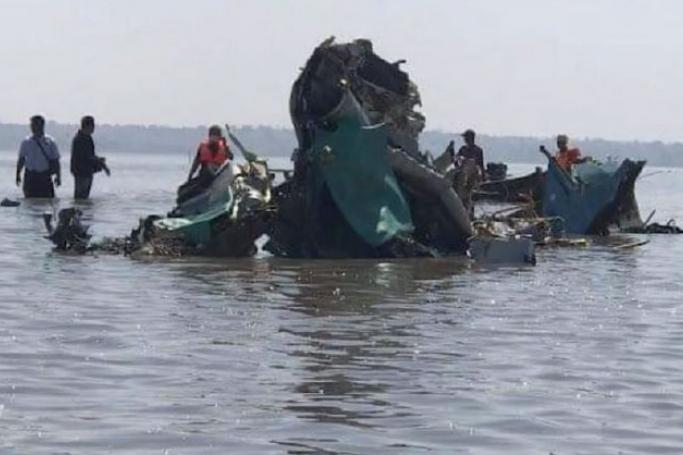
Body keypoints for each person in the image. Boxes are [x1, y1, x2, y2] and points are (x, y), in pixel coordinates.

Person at [16, 115, 61, 198]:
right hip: (30, 176)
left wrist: (58, 177)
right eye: (31, 125)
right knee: (29, 200)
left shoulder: (50, 141)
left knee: (47, 199)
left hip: (44, 176)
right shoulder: (26, 142)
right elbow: (21, 159)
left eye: (34, 125)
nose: (32, 127)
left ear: (41, 126)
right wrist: (18, 174)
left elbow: (55, 160)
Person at [70, 115, 110, 199]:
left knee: (84, 196)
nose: (94, 128)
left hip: (87, 171)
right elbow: (85, 157)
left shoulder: (88, 138)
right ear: (87, 126)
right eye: (93, 126)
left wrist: (100, 162)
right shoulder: (79, 139)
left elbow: (90, 155)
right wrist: (100, 162)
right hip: (81, 173)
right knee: (80, 196)